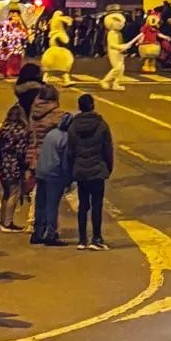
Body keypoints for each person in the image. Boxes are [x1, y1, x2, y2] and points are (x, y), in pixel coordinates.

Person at [67, 93, 113, 248]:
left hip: (81, 170)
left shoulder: (73, 126)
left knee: (83, 205)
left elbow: (70, 151)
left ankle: (82, 239)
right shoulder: (101, 125)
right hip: (97, 170)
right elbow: (108, 149)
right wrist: (108, 168)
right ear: (92, 106)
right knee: (97, 205)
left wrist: (72, 168)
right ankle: (97, 237)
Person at [32, 110, 71, 246]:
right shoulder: (66, 138)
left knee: (40, 203)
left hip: (41, 171)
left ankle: (37, 232)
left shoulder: (51, 134)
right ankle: (50, 234)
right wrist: (68, 179)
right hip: (54, 174)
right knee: (52, 205)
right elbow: (65, 161)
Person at [0, 99, 31, 231]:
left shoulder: (4, 128)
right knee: (14, 192)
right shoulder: (21, 131)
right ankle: (8, 222)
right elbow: (21, 151)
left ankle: (2, 220)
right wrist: (24, 166)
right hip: (14, 164)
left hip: (3, 163)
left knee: (6, 192)